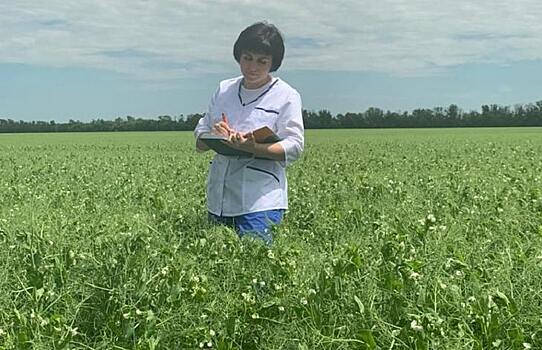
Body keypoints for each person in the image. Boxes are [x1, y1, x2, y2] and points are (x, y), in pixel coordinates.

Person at [194, 21, 304, 245]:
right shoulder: (225, 89)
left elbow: (294, 146)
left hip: (260, 201)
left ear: (273, 63)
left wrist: (254, 148)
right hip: (220, 199)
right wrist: (215, 134)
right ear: (239, 55)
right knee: (219, 267)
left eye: (262, 62)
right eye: (247, 58)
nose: (252, 67)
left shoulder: (286, 95)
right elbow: (200, 138)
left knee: (255, 264)